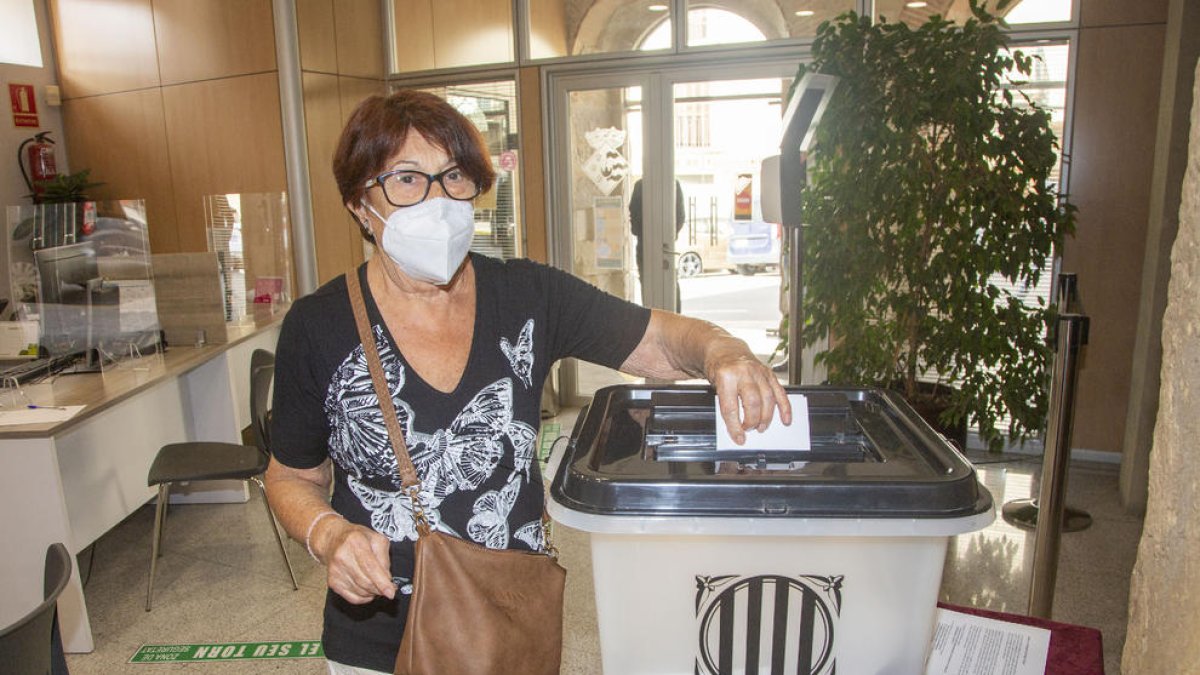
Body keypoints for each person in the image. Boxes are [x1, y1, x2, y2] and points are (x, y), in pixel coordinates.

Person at [263, 90, 790, 675]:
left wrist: (725, 352)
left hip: (511, 613)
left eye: (454, 176)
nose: (437, 199)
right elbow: (291, 476)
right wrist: (330, 537)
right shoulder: (320, 326)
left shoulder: (526, 296)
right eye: (407, 179)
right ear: (361, 204)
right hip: (382, 632)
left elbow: (660, 340)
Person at [629, 177, 687, 307]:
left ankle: (655, 319)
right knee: (669, 283)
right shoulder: (673, 185)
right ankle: (671, 320)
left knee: (648, 284)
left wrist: (641, 233)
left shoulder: (641, 186)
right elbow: (680, 216)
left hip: (645, 247)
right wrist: (671, 236)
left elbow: (633, 216)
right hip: (655, 247)